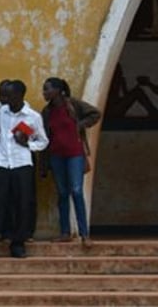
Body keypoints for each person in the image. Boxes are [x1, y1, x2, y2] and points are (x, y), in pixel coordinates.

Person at [0, 80, 47, 260]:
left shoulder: (33, 117)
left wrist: (28, 144)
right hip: (3, 164)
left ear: (20, 96)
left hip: (22, 165)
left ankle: (18, 243)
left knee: (22, 205)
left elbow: (43, 142)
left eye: (10, 96)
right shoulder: (2, 113)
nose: (6, 99)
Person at [40, 77, 100, 244]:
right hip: (56, 155)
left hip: (75, 154)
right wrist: (44, 165)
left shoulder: (73, 104)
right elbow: (45, 136)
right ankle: (65, 232)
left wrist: (81, 124)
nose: (44, 93)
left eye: (47, 89)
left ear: (58, 91)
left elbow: (95, 113)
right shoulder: (46, 112)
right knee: (62, 193)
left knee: (76, 190)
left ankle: (84, 234)